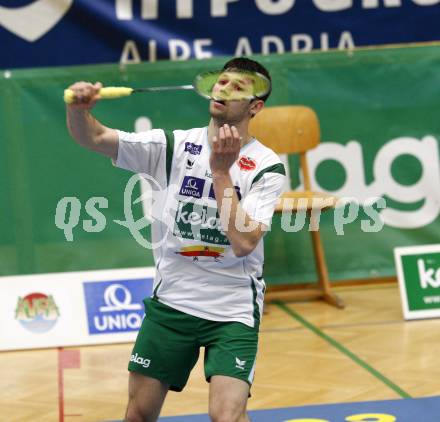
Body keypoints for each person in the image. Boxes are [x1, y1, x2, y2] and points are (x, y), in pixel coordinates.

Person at [66, 57, 286, 422]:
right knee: (138, 414)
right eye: (222, 81)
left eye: (238, 87)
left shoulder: (266, 166)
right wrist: (79, 109)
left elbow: (245, 242)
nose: (224, 89)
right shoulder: (173, 145)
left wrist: (220, 171)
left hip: (232, 309)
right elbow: (94, 137)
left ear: (255, 106)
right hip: (173, 302)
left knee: (227, 417)